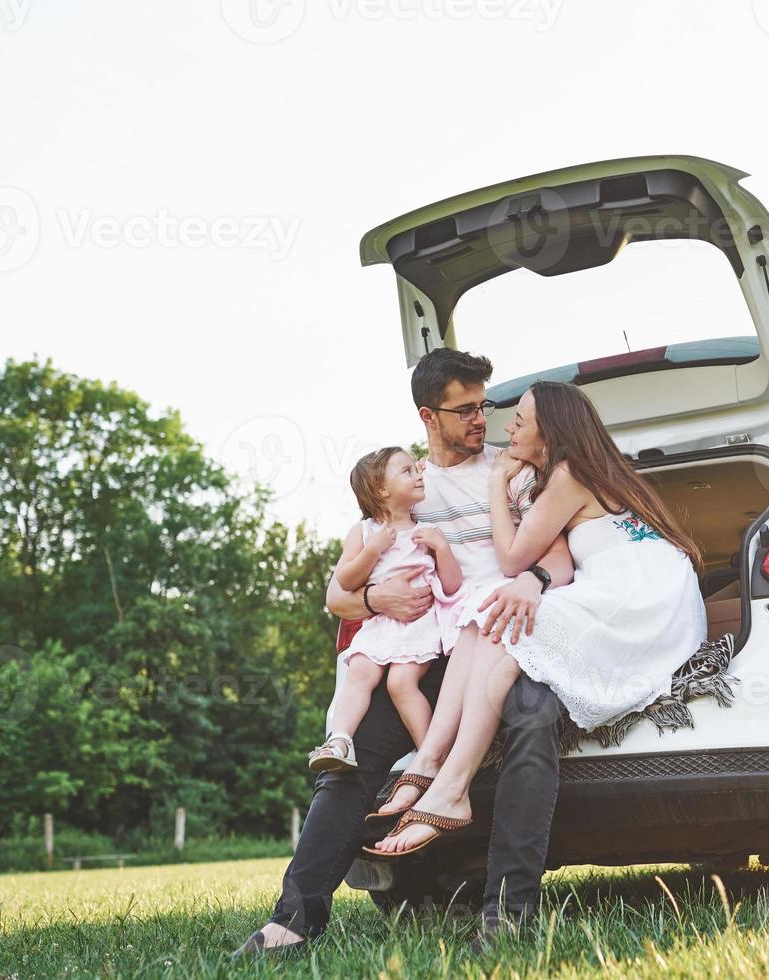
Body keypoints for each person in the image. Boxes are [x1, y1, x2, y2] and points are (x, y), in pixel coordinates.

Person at [235, 349, 574, 958]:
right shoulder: (404, 486)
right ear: (428, 415)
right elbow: (339, 594)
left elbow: (553, 557)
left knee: (536, 717)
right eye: (465, 409)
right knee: (354, 754)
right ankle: (294, 919)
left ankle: (508, 916)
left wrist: (534, 582)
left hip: (502, 638)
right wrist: (374, 596)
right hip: (424, 650)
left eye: (486, 405)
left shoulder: (515, 472)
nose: (482, 419)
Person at [366, 380, 705, 858]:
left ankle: (450, 787)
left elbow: (511, 559)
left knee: (501, 627)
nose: (508, 428)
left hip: (637, 598)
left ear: (550, 433)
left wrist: (495, 485)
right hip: (648, 590)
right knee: (485, 618)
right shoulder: (583, 469)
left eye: (520, 422)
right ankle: (430, 766)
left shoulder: (568, 474)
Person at [306, 446, 462, 772]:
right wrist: (372, 552)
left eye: (416, 470)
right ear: (382, 490)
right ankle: (341, 740)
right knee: (359, 673)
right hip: (381, 625)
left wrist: (443, 549)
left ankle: (431, 758)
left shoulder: (427, 531)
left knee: (400, 684)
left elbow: (451, 586)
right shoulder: (364, 532)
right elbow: (345, 581)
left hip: (419, 625)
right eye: (407, 471)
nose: (418, 475)